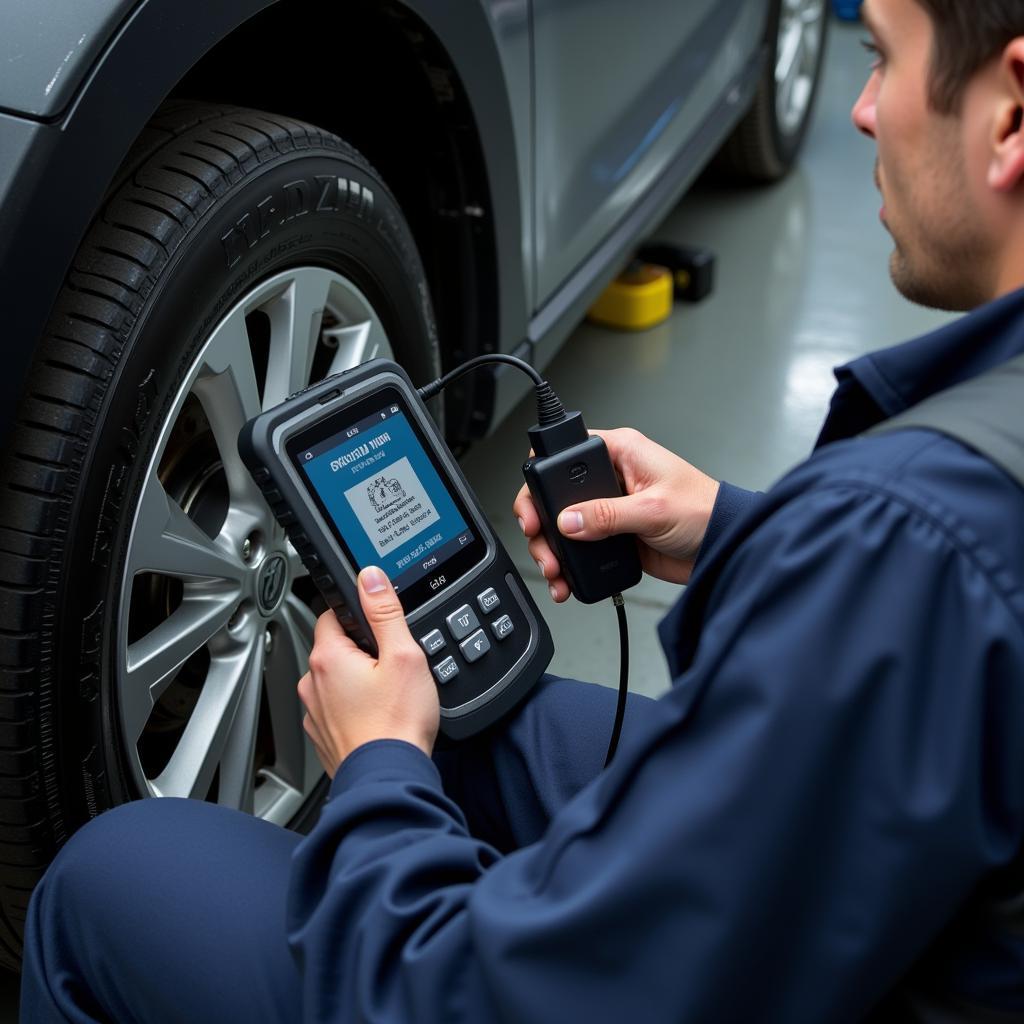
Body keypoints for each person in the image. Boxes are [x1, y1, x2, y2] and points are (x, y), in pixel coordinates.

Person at [19, 0, 1024, 1020]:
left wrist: (375, 771)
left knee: (110, 875)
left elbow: (461, 1001)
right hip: (908, 894)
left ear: (1011, 113)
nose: (859, 109)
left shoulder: (909, 541)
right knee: (474, 717)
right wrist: (740, 533)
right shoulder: (939, 509)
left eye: (880, 58)